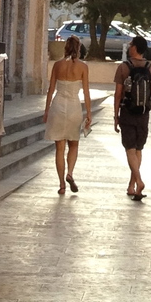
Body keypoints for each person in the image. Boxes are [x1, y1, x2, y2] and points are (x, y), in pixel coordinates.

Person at [113, 34, 151, 202]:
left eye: (131, 43)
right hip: (144, 113)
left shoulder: (123, 67)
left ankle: (138, 181)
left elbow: (118, 94)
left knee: (129, 148)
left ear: (135, 48)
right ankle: (131, 185)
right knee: (138, 149)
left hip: (127, 112)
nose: (129, 45)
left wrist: (115, 116)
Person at [43, 35, 93, 194]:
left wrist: (46, 111)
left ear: (65, 47)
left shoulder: (57, 65)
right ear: (78, 48)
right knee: (74, 143)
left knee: (59, 147)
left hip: (58, 106)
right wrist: (89, 113)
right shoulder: (83, 67)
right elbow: (86, 92)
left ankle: (61, 185)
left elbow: (50, 90)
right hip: (73, 107)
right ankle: (70, 173)